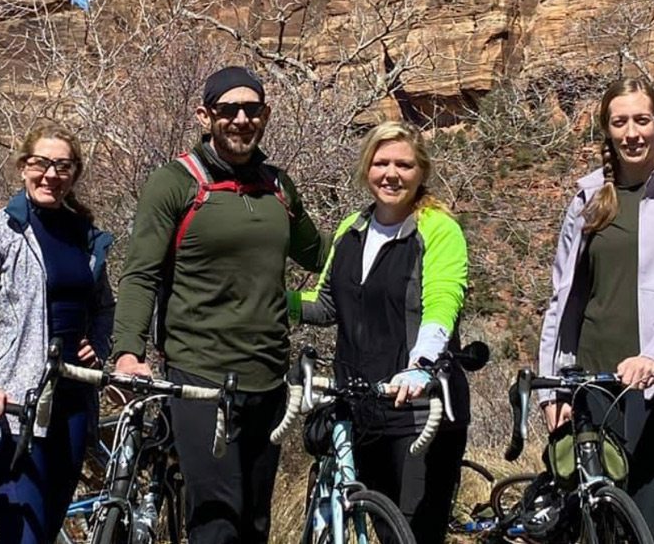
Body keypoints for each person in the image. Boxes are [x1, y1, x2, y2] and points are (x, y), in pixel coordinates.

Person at [111, 65, 326, 543]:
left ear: (266, 115)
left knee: (254, 525)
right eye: (229, 110)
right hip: (201, 379)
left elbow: (318, 255)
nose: (242, 119)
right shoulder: (175, 183)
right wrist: (129, 350)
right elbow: (141, 273)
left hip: (269, 381)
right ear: (205, 116)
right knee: (216, 523)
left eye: (253, 110)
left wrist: (379, 224)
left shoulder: (277, 186)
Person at [538, 77, 654, 544]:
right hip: (592, 384)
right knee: (596, 523)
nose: (632, 133)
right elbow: (562, 299)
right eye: (619, 122)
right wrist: (551, 388)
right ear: (606, 129)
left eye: (641, 120)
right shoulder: (588, 197)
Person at [292, 120, 470, 544]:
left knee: (411, 534)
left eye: (404, 165)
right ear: (366, 168)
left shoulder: (439, 230)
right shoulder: (351, 229)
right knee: (378, 527)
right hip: (363, 408)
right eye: (381, 163)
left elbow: (442, 306)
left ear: (422, 171)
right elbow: (325, 303)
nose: (392, 174)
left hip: (420, 412)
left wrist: (421, 364)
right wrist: (263, 299)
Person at [0, 124, 114, 544]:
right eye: (40, 163)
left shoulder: (86, 237)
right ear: (23, 167)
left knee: (44, 530)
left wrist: (99, 343)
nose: (51, 175)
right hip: (13, 406)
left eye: (63, 166)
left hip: (74, 405)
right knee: (23, 533)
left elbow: (104, 306)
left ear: (74, 173)